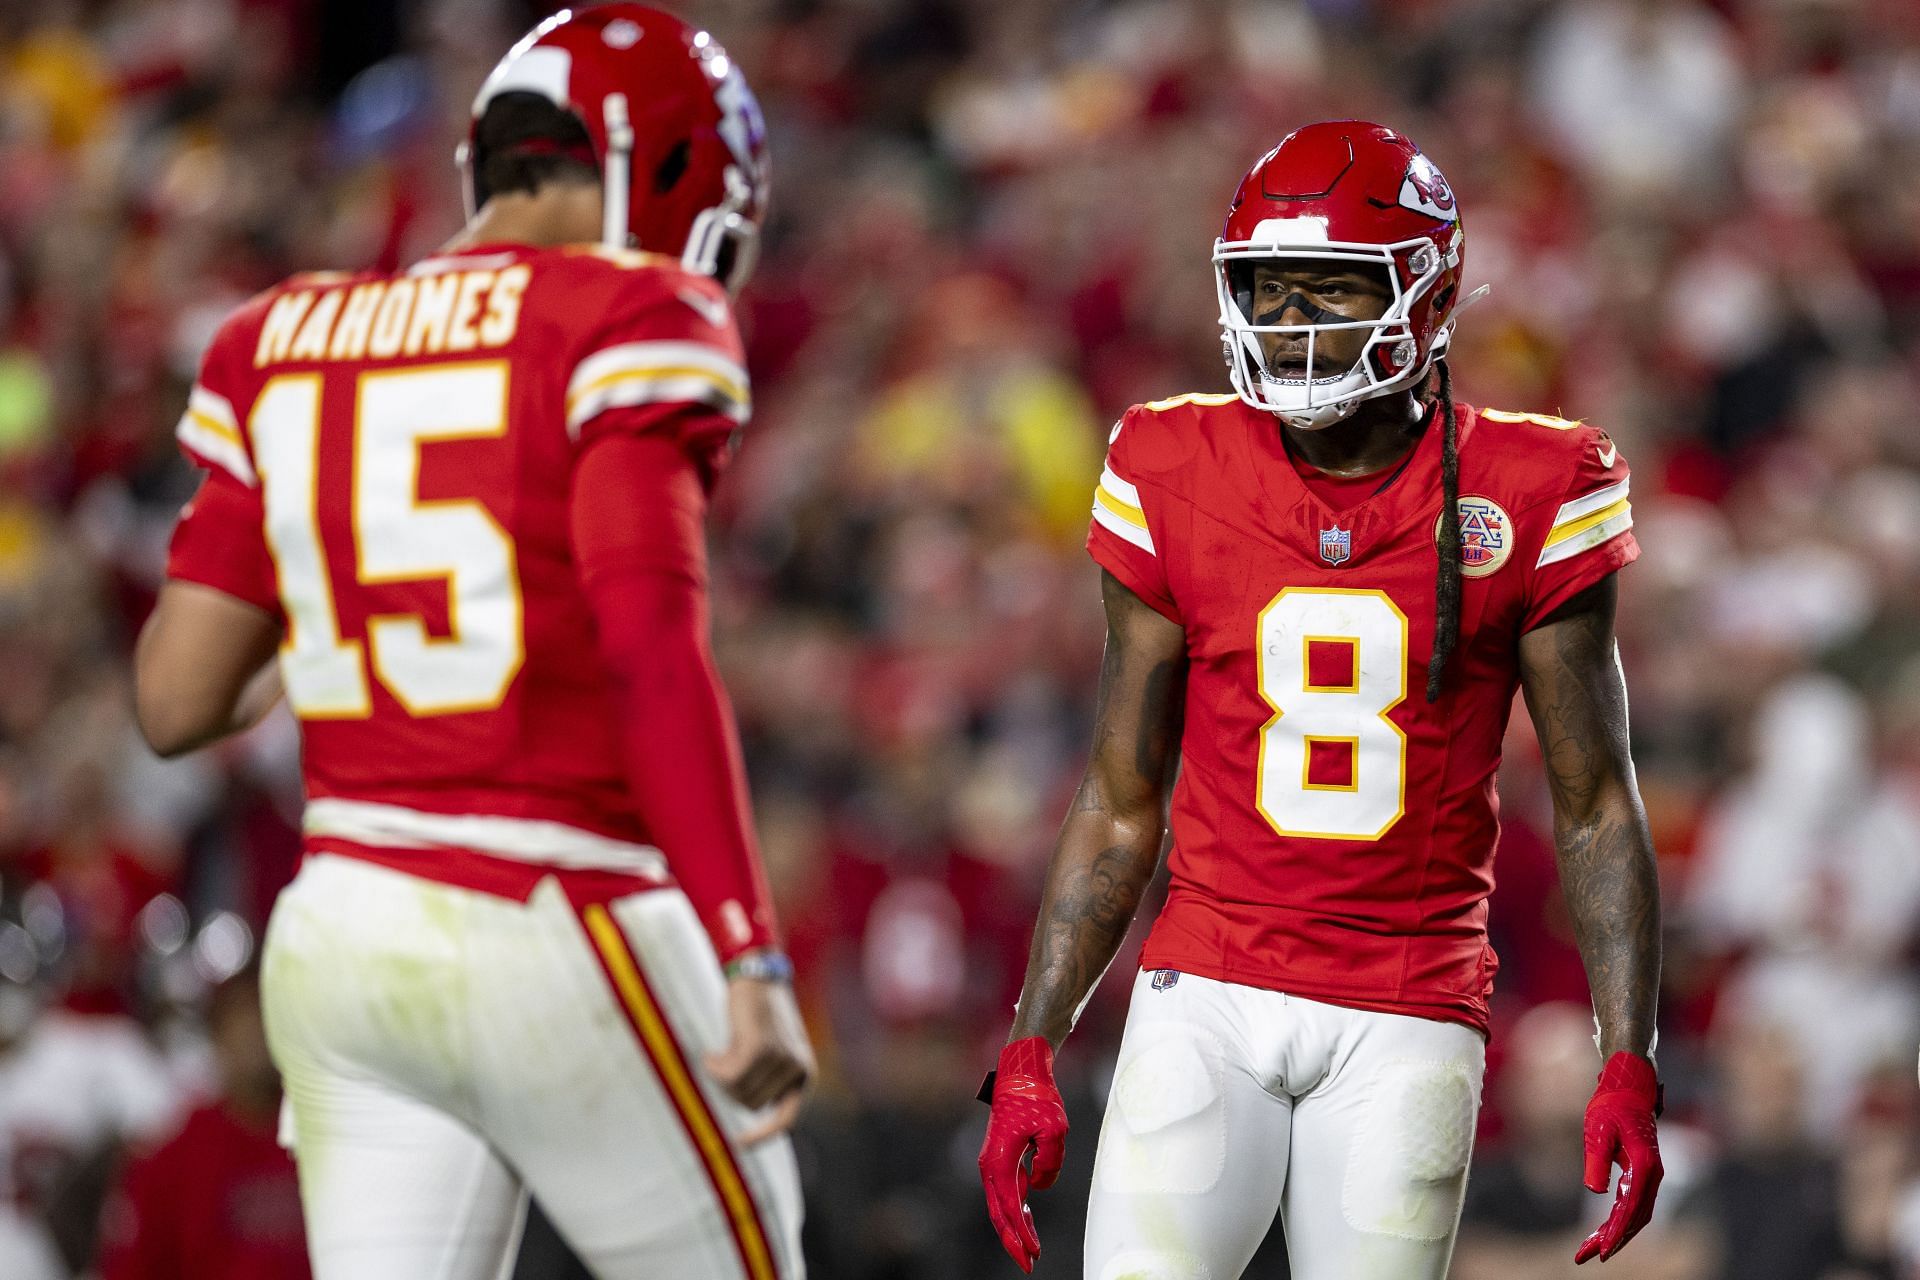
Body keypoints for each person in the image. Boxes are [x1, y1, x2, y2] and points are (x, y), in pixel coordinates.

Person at [130, 7, 811, 1279]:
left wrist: (333, 579)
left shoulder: (275, 339)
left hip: (340, 933)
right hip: (548, 904)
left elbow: (174, 698)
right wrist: (746, 945)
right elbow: (647, 644)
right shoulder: (624, 314)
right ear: (653, 170)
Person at [976, 122, 1665, 1279]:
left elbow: (1598, 801)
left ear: (1430, 295)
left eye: (1333, 290)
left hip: (1409, 1005)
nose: (1294, 325)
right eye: (1268, 290)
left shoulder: (1536, 485)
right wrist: (1033, 1040)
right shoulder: (1169, 460)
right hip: (1206, 984)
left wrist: (1628, 1052)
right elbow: (1118, 791)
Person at [96, 965, 311, 1280]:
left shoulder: (334, 1147)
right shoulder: (171, 1159)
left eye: (268, 1014)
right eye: (243, 1015)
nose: (256, 1031)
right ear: (217, 1033)